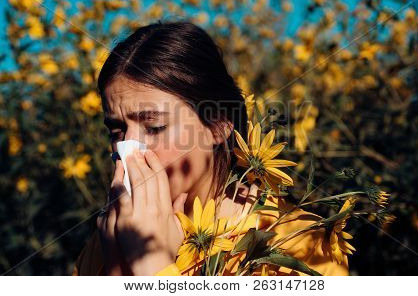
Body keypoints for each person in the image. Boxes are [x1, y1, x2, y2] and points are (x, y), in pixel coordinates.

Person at [72, 20, 348, 276]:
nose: (128, 152)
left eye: (154, 127)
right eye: (117, 131)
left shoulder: (302, 244)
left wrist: (152, 264)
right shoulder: (108, 238)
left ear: (218, 126)